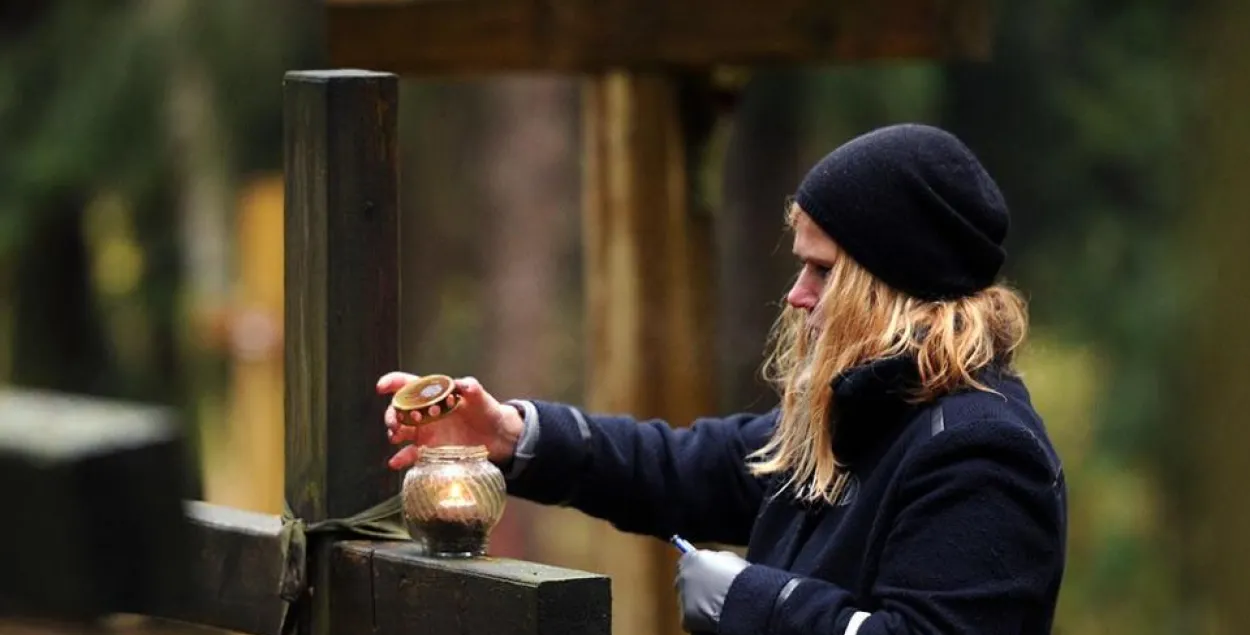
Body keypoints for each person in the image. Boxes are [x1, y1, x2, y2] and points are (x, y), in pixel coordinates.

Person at [377, 123, 1066, 635]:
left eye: (823, 270)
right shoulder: (862, 416)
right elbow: (682, 467)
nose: (796, 294)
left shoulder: (982, 452)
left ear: (892, 283)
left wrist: (756, 602)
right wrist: (510, 433)